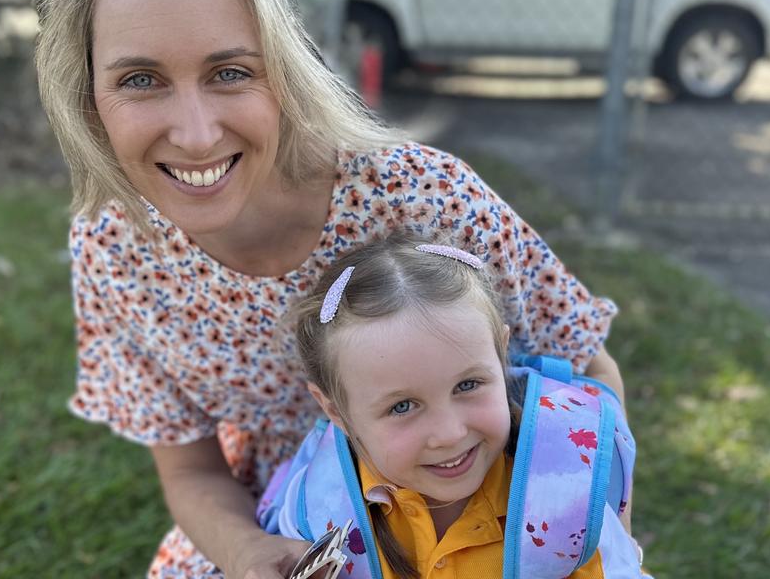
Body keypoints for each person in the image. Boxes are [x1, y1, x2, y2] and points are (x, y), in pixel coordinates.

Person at [33, 0, 627, 576]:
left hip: (488, 518)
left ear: (282, 64)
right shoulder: (111, 249)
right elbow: (189, 470)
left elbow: (589, 367)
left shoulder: (424, 198)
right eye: (139, 80)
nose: (194, 134)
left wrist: (591, 539)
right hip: (280, 521)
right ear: (86, 93)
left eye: (230, 71)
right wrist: (252, 553)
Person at [260, 233, 642, 578]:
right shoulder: (315, 512)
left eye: (468, 384)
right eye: (403, 406)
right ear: (337, 414)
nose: (449, 434)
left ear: (501, 355)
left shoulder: (564, 496)